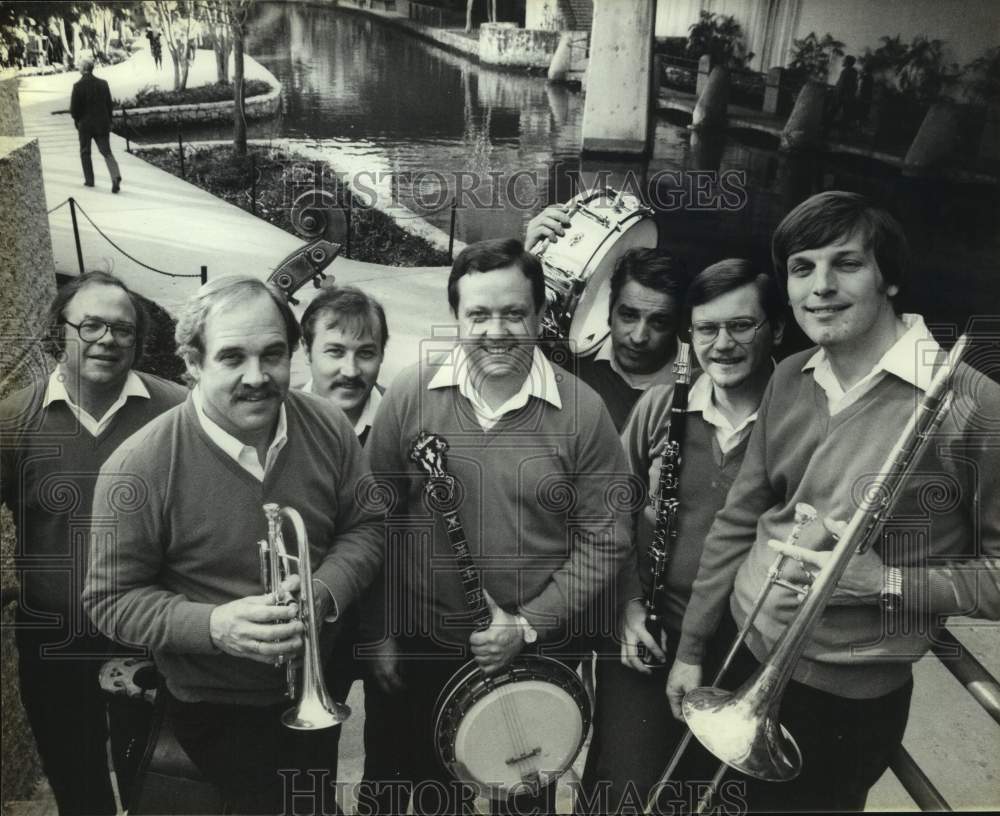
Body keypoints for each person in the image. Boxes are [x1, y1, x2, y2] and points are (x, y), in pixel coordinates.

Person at [666, 191, 1000, 812]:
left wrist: (888, 582)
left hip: (848, 697)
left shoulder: (973, 404)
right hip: (736, 649)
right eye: (802, 268)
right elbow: (739, 521)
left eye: (846, 264)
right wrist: (692, 650)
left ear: (890, 279)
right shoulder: (790, 376)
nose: (820, 287)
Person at [83, 276, 385, 815]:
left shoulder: (329, 428)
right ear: (193, 363)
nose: (257, 377)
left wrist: (323, 591)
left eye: (273, 355)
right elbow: (110, 601)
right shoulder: (137, 467)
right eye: (232, 358)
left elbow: (366, 527)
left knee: (310, 802)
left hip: (318, 684)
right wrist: (216, 626)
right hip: (215, 708)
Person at [360, 238, 634, 815]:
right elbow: (371, 523)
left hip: (535, 655)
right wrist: (378, 632)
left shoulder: (583, 413)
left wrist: (529, 624)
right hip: (421, 644)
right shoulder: (411, 395)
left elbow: (606, 538)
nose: (495, 330)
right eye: (477, 314)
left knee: (518, 799)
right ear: (457, 318)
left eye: (513, 313)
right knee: (395, 788)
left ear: (540, 315)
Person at [579, 260, 784, 814]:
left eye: (741, 326)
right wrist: (625, 606)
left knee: (710, 797)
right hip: (652, 632)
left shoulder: (795, 416)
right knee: (625, 788)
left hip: (748, 646)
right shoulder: (661, 406)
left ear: (776, 332)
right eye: (706, 329)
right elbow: (608, 512)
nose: (722, 344)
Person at [1, 272, 187, 816]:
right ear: (62, 331)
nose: (107, 339)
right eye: (91, 325)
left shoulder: (176, 412)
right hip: (51, 645)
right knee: (78, 790)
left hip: (150, 639)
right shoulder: (15, 420)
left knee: (156, 784)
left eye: (122, 330)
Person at [300, 285, 388, 447]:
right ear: (307, 350)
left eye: (365, 353)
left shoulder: (405, 418)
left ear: (382, 353)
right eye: (335, 352)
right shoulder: (278, 417)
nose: (351, 371)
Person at [70, 58, 121, 193]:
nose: (78, 67)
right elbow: (109, 105)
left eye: (80, 66)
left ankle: (90, 180)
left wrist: (77, 120)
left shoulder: (77, 86)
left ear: (84, 69)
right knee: (106, 151)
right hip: (102, 124)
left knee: (85, 152)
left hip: (85, 125)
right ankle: (115, 176)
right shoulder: (103, 84)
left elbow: (74, 109)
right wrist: (109, 121)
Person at [828, 55, 858, 129]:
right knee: (845, 117)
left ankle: (825, 133)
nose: (842, 61)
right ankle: (842, 135)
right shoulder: (854, 72)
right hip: (849, 97)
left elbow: (841, 85)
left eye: (844, 60)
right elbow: (854, 86)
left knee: (831, 114)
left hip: (841, 96)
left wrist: (836, 95)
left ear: (847, 62)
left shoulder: (845, 71)